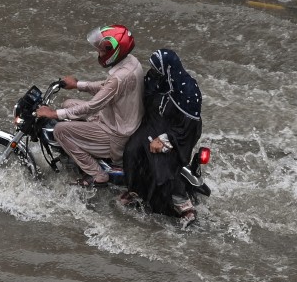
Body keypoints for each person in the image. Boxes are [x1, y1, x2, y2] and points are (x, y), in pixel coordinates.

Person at [34, 25, 143, 186]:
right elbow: (107, 88)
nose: (99, 54)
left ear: (115, 52)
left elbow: (92, 106)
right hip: (119, 119)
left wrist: (53, 114)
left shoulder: (119, 78)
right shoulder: (131, 62)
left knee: (60, 131)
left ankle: (98, 174)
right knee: (68, 103)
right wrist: (78, 85)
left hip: (116, 135)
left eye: (102, 51)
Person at [120, 49, 203, 224]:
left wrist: (166, 139)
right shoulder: (154, 79)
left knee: (161, 162)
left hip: (176, 133)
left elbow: (189, 126)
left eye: (158, 69)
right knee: (132, 150)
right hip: (152, 124)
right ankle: (135, 191)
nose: (154, 72)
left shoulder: (188, 89)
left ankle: (183, 205)